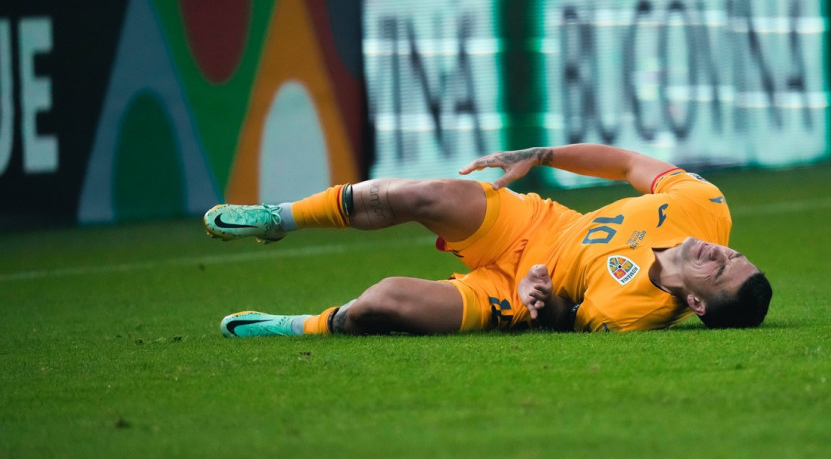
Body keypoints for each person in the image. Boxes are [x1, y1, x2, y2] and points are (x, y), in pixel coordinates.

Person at [204, 144, 772, 337]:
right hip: (535, 222)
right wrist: (543, 155)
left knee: (382, 303)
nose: (720, 253)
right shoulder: (705, 207)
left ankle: (293, 326)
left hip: (508, 289)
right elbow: (627, 163)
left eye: (719, 271)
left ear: (695, 303)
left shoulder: (630, 313)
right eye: (734, 255)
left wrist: (539, 297)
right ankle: (278, 218)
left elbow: (564, 321)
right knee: (427, 195)